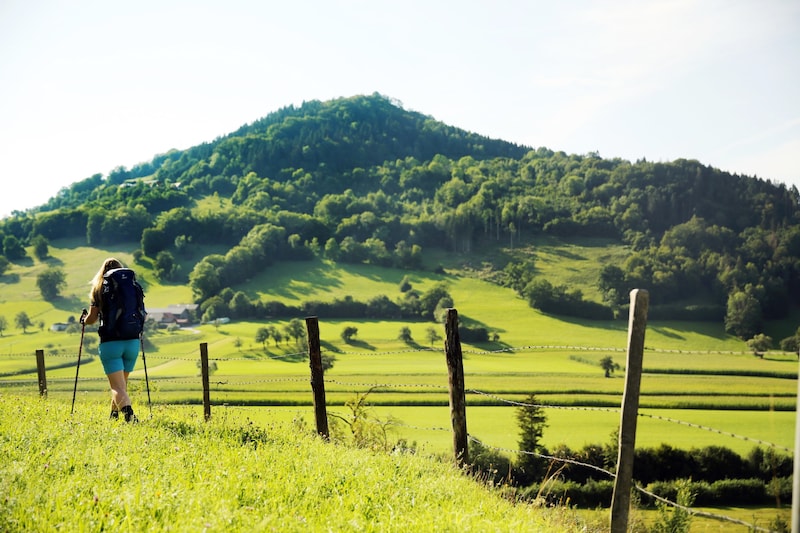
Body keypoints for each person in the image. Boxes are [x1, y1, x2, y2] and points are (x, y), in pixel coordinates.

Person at [82, 257, 140, 422]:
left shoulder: (100, 288)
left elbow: (92, 319)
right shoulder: (131, 287)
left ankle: (130, 417)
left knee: (116, 387)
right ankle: (113, 416)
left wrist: (84, 320)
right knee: (122, 385)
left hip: (111, 343)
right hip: (132, 342)